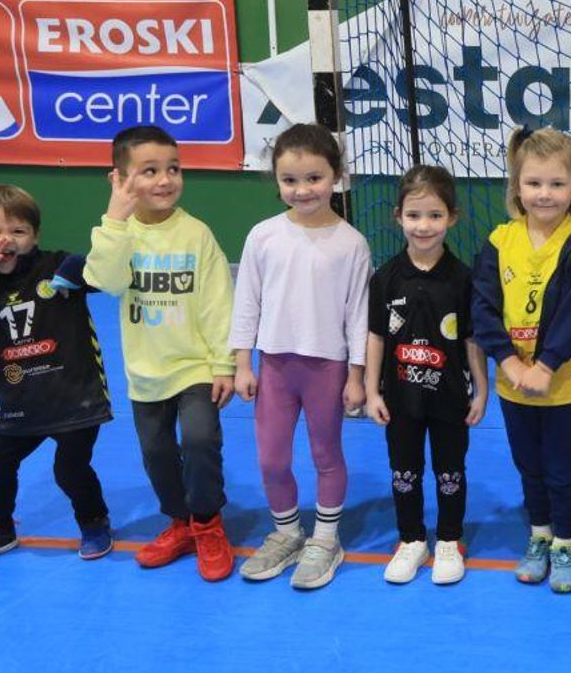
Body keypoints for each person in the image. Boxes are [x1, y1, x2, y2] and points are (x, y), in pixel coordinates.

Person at [85, 125, 236, 581]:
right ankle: (180, 522)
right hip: (145, 373)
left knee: (198, 440)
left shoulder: (196, 234)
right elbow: (106, 280)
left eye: (173, 168)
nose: (165, 180)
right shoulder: (118, 234)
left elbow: (217, 304)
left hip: (195, 367)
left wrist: (224, 363)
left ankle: (208, 523)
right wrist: (114, 220)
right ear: (120, 179)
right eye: (149, 171)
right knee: (157, 453)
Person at [0, 184, 114, 570]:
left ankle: (93, 520)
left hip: (75, 396)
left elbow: (104, 273)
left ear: (34, 236)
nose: (5, 241)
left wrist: (92, 260)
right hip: (20, 401)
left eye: (18, 232)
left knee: (69, 468)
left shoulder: (58, 267)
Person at [230, 123, 372, 590]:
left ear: (336, 175)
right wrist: (241, 363)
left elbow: (357, 315)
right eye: (290, 180)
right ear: (276, 182)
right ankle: (288, 532)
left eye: (314, 178)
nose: (302, 189)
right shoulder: (262, 236)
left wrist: (356, 377)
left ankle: (326, 539)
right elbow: (247, 301)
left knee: (325, 453)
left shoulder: (351, 243)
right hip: (274, 367)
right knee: (271, 460)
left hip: (326, 369)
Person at [472, 126, 571, 594]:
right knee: (528, 464)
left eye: (556, 184)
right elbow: (482, 307)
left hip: (563, 383)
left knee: (564, 467)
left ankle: (565, 542)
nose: (544, 194)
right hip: (514, 384)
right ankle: (540, 534)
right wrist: (509, 363)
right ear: (517, 188)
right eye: (533, 184)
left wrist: (545, 365)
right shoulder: (499, 241)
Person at [365, 165, 488, 587]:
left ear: (452, 217)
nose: (424, 226)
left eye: (435, 215)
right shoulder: (385, 279)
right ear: (397, 215)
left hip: (450, 397)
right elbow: (377, 337)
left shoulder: (463, 279)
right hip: (400, 399)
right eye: (414, 215)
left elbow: (471, 339)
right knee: (405, 469)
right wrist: (370, 390)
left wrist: (481, 390)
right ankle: (412, 539)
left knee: (450, 468)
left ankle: (449, 540)